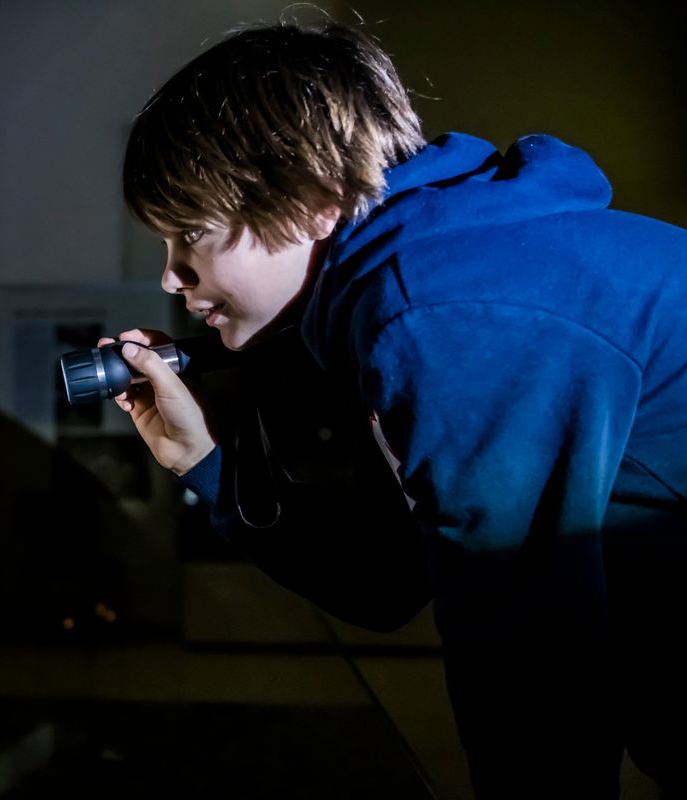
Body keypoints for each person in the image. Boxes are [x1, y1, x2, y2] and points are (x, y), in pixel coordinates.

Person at [105, 19, 686, 799]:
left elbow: (528, 654)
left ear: (310, 197)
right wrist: (206, 460)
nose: (173, 278)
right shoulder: (407, 294)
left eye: (190, 235)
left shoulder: (444, 307)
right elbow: (386, 583)